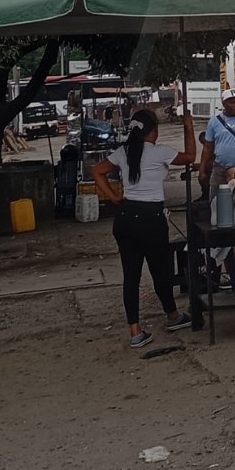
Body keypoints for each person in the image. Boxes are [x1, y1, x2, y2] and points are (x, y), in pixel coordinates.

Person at [92, 108, 196, 348]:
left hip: (125, 217)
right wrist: (188, 126)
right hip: (150, 218)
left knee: (131, 276)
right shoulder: (160, 152)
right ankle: (172, 316)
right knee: (160, 270)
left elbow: (96, 171)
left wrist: (113, 197)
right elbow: (190, 156)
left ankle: (135, 331)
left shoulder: (123, 152)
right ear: (153, 131)